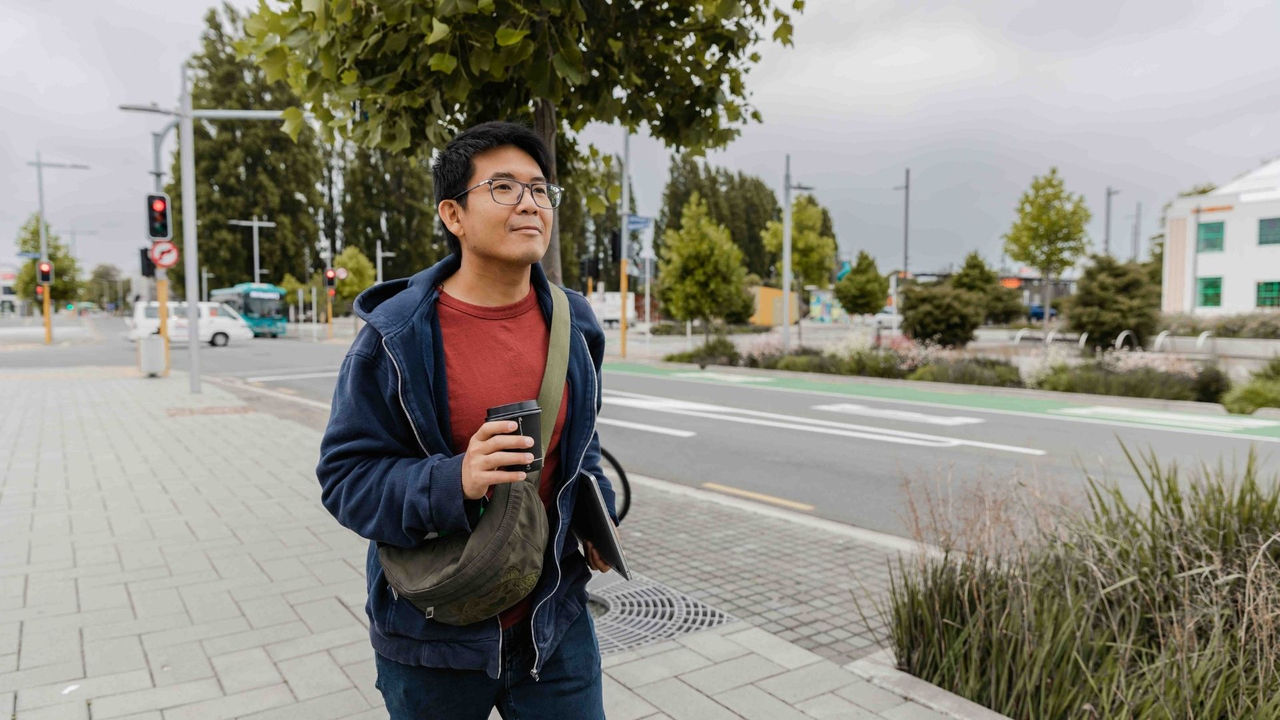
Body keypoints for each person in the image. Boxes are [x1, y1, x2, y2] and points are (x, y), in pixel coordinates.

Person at [316, 121, 617, 719]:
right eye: (503, 188)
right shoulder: (395, 337)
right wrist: (457, 479)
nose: (529, 203)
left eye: (539, 189)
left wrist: (595, 511)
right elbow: (346, 480)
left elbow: (582, 445)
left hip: (553, 623)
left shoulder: (575, 323)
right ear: (453, 215)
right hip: (432, 635)